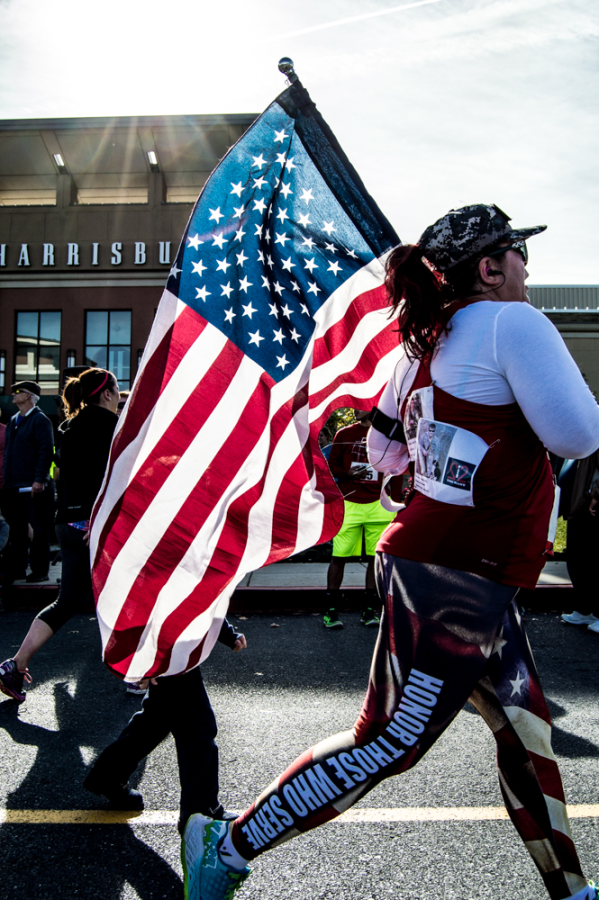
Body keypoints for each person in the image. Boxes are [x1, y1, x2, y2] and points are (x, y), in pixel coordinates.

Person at [181, 204, 599, 900]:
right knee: (388, 741)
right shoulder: (511, 322)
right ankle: (226, 848)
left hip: (453, 569)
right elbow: (576, 435)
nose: (529, 267)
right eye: (518, 253)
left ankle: (571, 891)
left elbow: (379, 452)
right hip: (456, 576)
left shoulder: (426, 342)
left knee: (525, 732)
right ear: (489, 268)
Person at [0, 368, 119, 703]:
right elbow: (100, 479)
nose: (120, 396)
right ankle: (135, 674)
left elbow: (69, 478)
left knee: (68, 600)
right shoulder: (109, 427)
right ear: (106, 393)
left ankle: (15, 664)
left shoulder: (70, 427)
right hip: (91, 525)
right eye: (117, 390)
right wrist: (98, 521)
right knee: (128, 592)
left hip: (66, 522)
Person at [84, 620, 247, 824]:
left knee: (158, 718)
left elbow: (203, 596)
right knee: (197, 727)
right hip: (169, 647)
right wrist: (143, 657)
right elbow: (152, 599)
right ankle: (201, 811)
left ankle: (110, 775)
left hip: (171, 644)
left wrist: (226, 632)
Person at [323, 409, 395, 629]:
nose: (353, 409)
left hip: (378, 503)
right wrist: (347, 474)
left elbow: (397, 463)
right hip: (349, 503)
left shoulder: (385, 433)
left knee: (375, 559)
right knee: (339, 556)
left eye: (358, 405)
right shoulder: (344, 434)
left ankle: (369, 610)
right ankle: (331, 612)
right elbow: (331, 464)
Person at [2, 381, 54, 584]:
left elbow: (45, 451)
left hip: (33, 486)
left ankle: (40, 570)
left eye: (18, 392)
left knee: (39, 529)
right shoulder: (14, 420)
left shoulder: (40, 420)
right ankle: (18, 569)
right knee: (17, 529)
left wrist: (39, 479)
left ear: (29, 396)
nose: (13, 395)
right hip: (13, 485)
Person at [560, 449, 599, 632]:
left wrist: (597, 494)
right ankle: (585, 609)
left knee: (591, 557)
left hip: (590, 500)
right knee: (578, 558)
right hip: (579, 500)